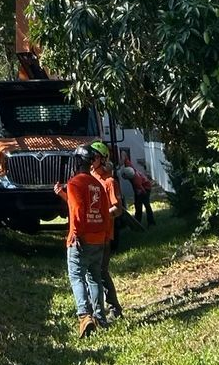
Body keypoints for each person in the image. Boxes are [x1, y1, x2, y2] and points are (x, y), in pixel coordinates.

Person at [54, 142, 120, 337]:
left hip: (80, 239)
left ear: (77, 162)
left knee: (76, 277)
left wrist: (76, 235)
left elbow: (77, 212)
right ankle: (101, 318)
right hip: (99, 239)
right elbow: (102, 213)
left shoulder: (75, 183)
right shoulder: (98, 185)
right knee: (95, 278)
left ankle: (84, 316)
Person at [90, 141, 124, 320]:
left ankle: (114, 308)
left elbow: (117, 209)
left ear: (102, 159)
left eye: (94, 157)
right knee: (90, 272)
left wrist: (101, 216)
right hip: (88, 235)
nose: (91, 160)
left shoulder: (110, 182)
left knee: (101, 272)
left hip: (103, 234)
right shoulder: (87, 178)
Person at [125, 152, 156, 226]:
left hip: (145, 188)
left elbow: (142, 190)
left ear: (129, 176)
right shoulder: (131, 169)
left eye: (125, 176)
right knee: (137, 204)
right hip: (142, 187)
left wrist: (142, 195)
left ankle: (150, 222)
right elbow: (126, 160)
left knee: (145, 205)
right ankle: (137, 221)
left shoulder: (135, 180)